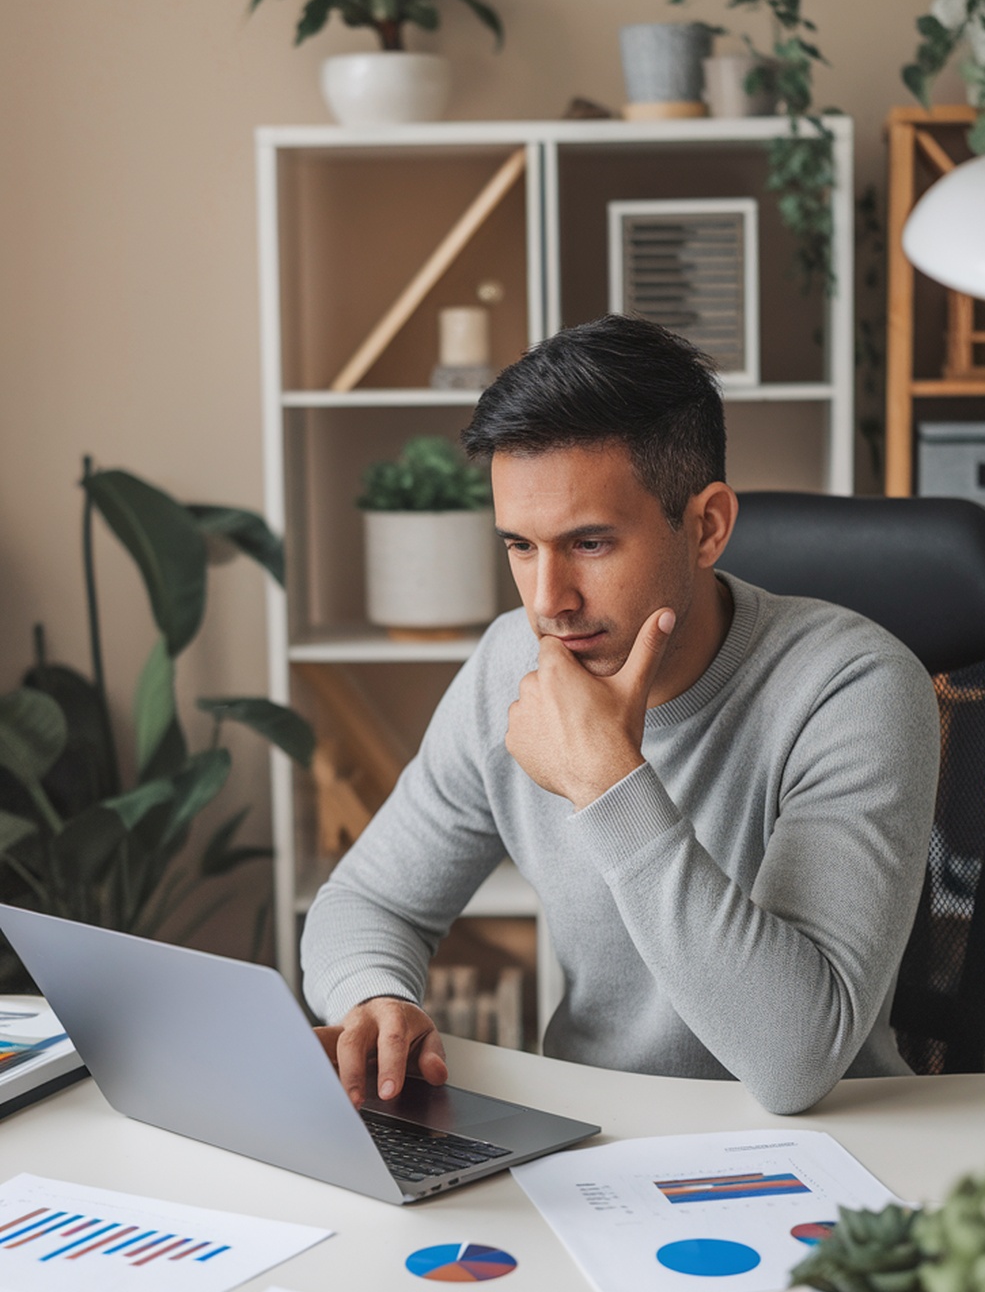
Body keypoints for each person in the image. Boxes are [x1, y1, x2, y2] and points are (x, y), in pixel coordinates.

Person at [303, 315, 940, 1116]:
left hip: (828, 1155)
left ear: (706, 526)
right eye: (520, 547)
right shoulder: (510, 663)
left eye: (591, 544)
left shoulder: (855, 686)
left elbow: (794, 1063)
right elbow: (367, 901)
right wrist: (372, 997)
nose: (547, 602)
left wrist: (606, 779)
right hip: (592, 1134)